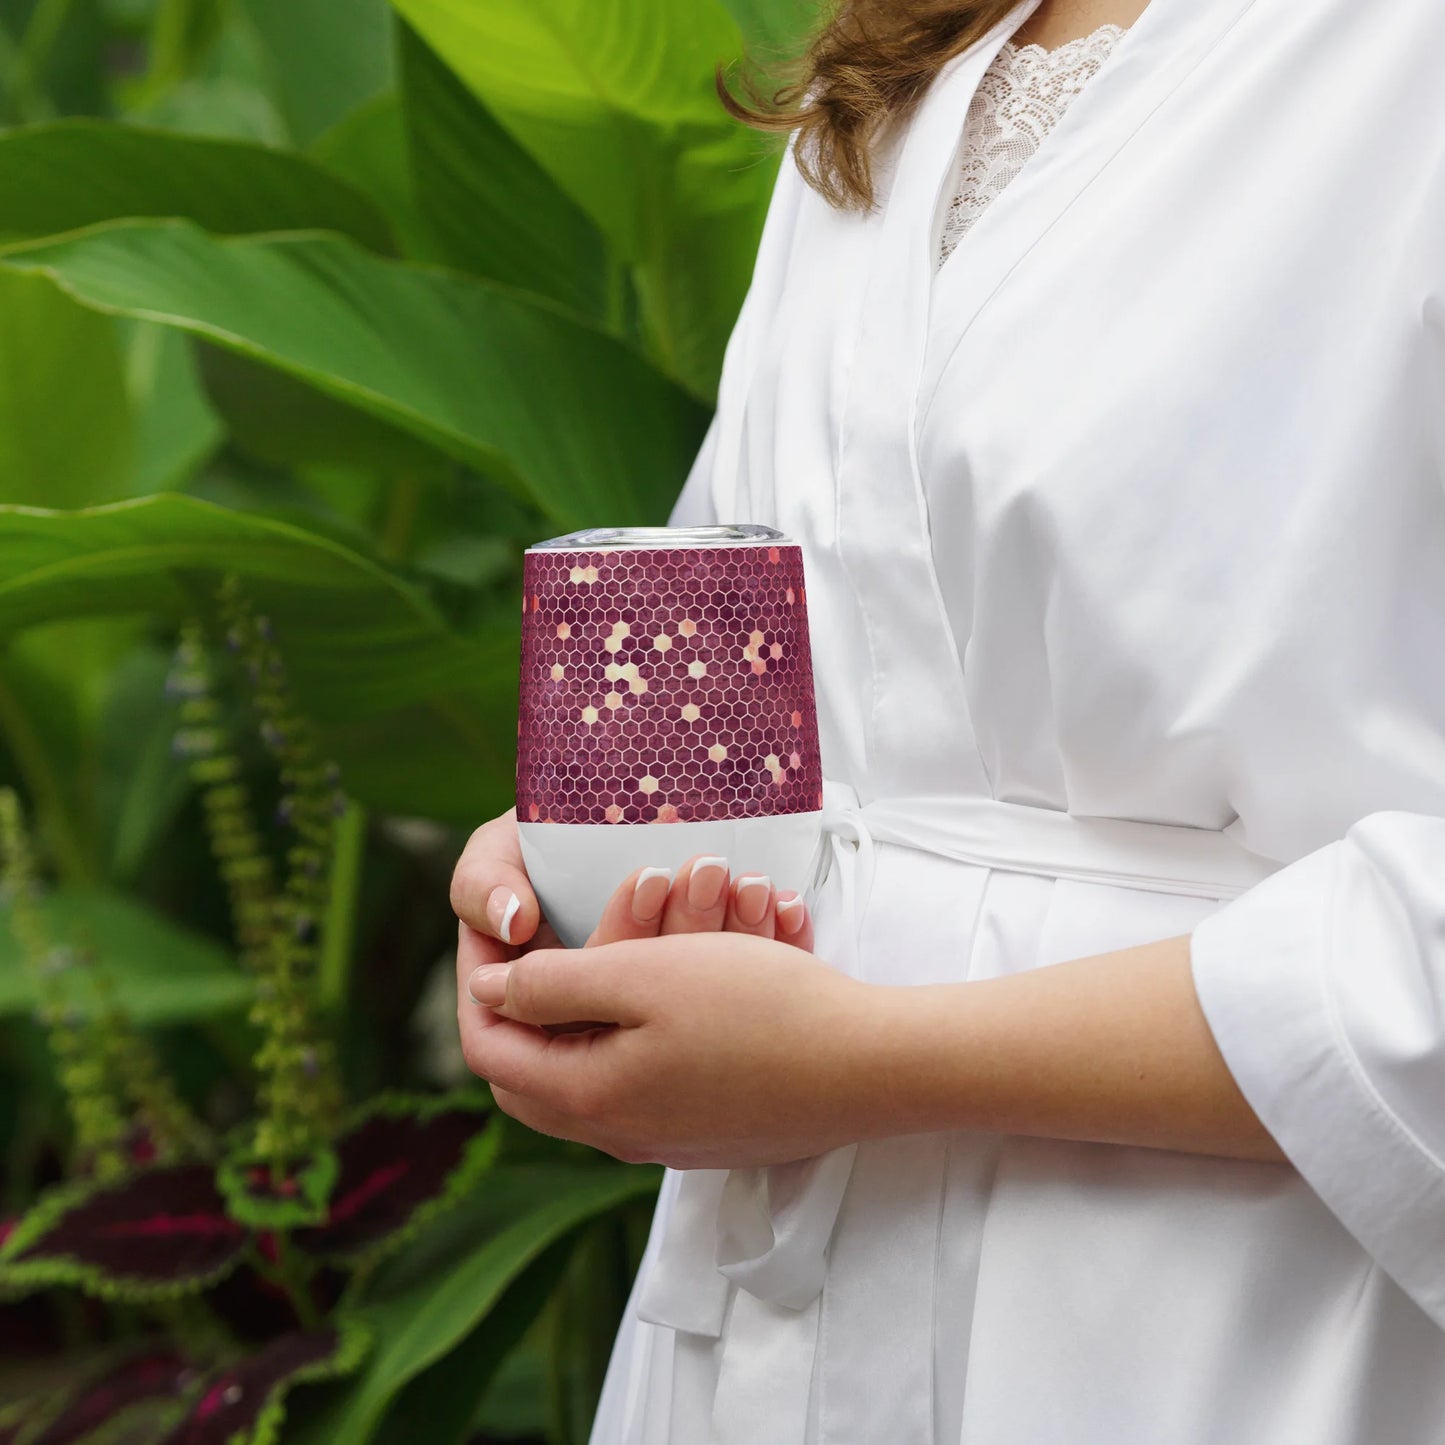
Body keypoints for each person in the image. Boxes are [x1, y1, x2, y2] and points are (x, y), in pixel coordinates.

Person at [450, 0, 1445, 1438]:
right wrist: (578, 876)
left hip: (1235, 1313)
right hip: (780, 1308)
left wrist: (864, 1059)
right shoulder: (903, 56)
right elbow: (802, 666)